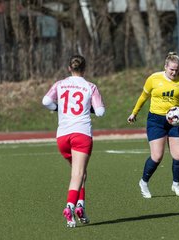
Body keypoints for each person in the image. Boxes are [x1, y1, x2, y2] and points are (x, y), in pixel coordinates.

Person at [42, 55, 106, 227]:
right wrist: (90, 108)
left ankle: (81, 206)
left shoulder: (60, 84)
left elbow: (45, 101)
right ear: (84, 69)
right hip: (81, 134)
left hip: (62, 136)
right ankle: (69, 207)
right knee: (78, 174)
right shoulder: (90, 86)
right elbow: (100, 112)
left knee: (80, 173)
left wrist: (57, 108)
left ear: (69, 68)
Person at [127, 52, 179, 198]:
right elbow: (143, 96)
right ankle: (144, 182)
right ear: (165, 67)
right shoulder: (153, 78)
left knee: (178, 155)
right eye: (171, 69)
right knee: (157, 156)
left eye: (177, 70)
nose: (174, 72)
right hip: (156, 120)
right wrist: (134, 113)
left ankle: (176, 184)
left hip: (177, 121)